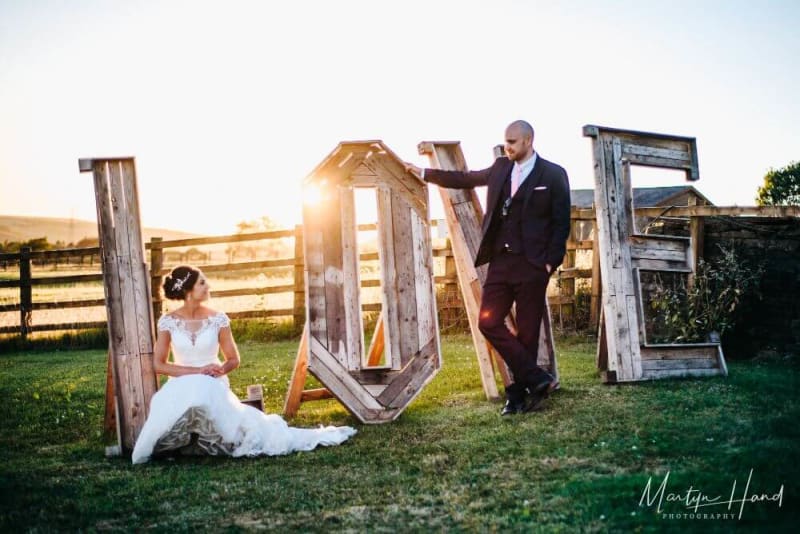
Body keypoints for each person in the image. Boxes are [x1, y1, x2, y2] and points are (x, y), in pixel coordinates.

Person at [405, 120, 570, 416]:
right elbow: (465, 178)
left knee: (529, 333)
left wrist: (549, 262)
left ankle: (517, 396)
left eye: (512, 142)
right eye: (505, 141)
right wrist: (424, 173)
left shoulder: (554, 174)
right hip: (501, 263)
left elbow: (561, 223)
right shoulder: (500, 168)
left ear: (528, 141)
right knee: (488, 323)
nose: (507, 147)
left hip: (533, 266)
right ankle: (537, 379)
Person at [131, 265, 356, 464]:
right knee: (174, 397)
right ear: (188, 290)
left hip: (212, 381)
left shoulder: (218, 319)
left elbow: (233, 359)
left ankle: (208, 440)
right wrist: (195, 371)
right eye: (202, 282)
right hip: (181, 382)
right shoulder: (168, 322)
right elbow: (159, 365)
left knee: (202, 390)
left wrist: (219, 369)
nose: (207, 286)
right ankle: (178, 443)